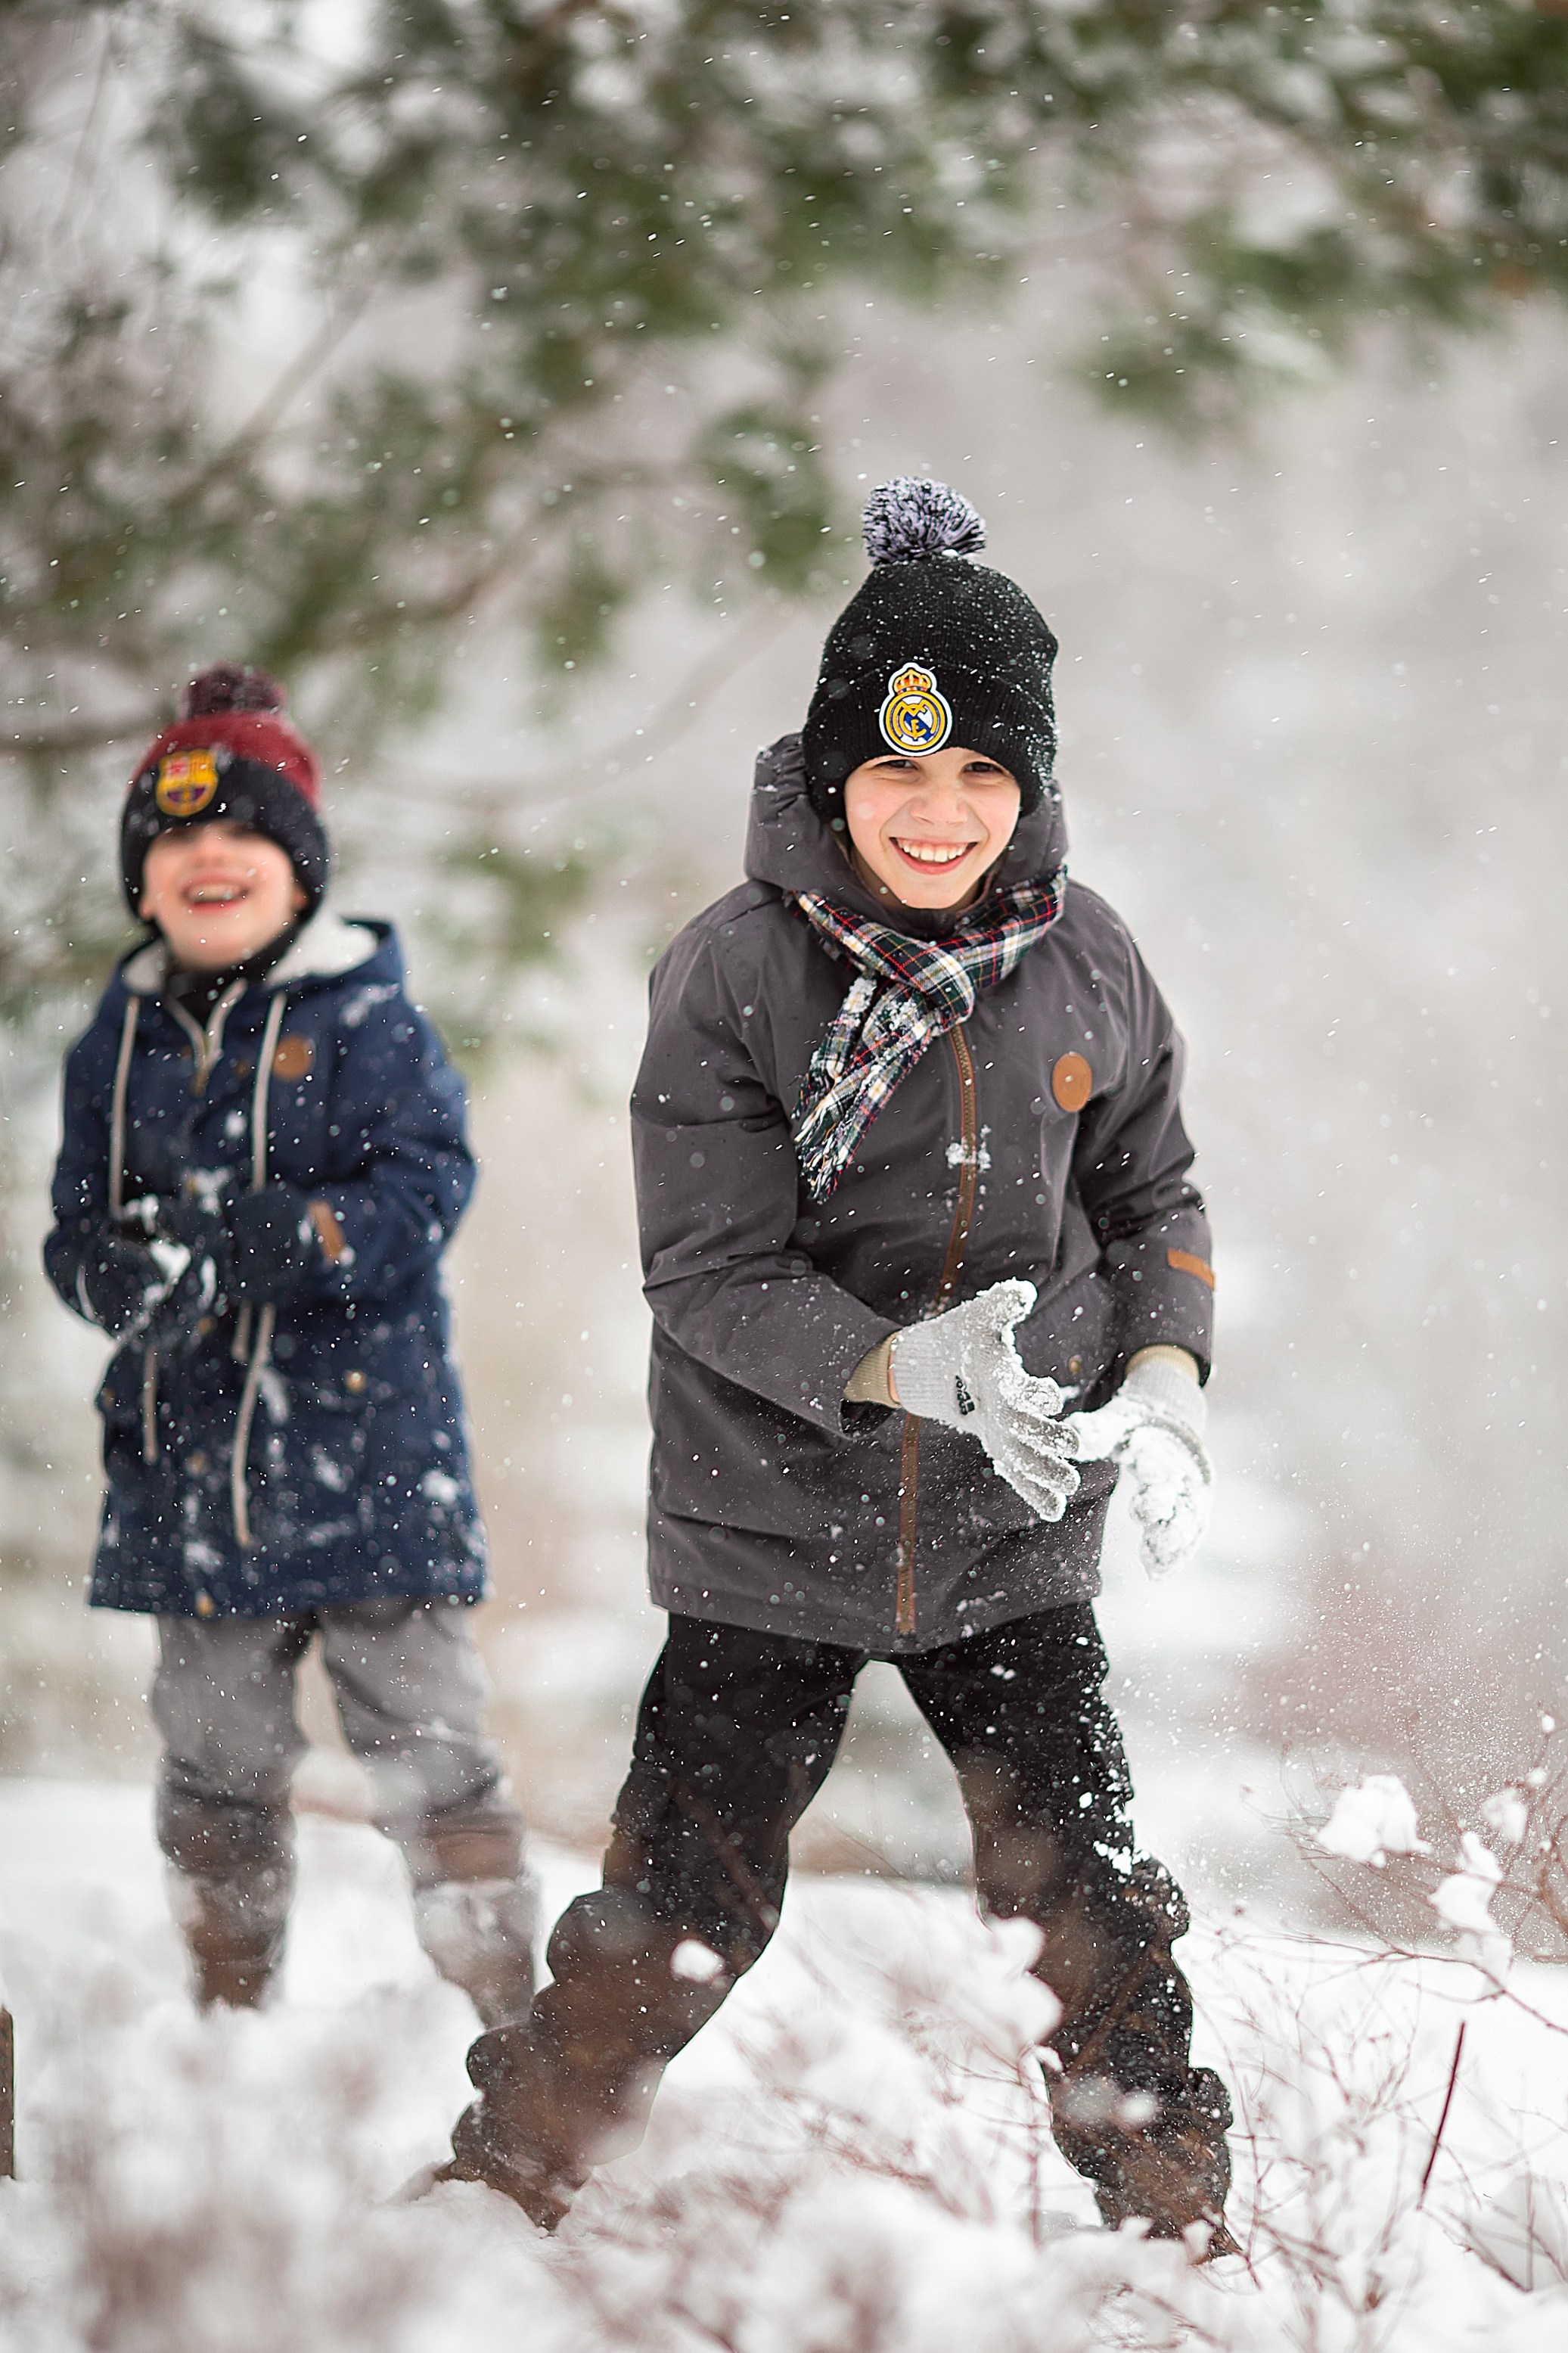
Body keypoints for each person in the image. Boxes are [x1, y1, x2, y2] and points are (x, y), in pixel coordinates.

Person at [439, 480, 1234, 2252]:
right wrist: (898, 1368)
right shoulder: (734, 974)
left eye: (977, 777)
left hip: (1007, 1535)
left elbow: (1151, 1189)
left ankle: (1172, 2218)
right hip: (767, 1525)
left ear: (1027, 787)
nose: (937, 815)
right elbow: (705, 1268)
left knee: (1080, 1897)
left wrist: (1166, 1376)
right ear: (829, 775)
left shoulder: (1087, 958)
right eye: (895, 772)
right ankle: (508, 2182)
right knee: (688, 1902)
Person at [44, 664, 539, 2022]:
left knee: (428, 1743)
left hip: (368, 1454)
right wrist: (110, 1266)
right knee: (212, 1752)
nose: (211, 856)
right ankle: (230, 2007)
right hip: (189, 1464)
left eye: (244, 836)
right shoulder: (119, 1034)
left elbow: (420, 1193)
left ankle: (516, 2018)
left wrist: (249, 1241)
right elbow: (75, 1220)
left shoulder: (368, 1017)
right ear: (142, 881)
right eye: (176, 839)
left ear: (300, 871)